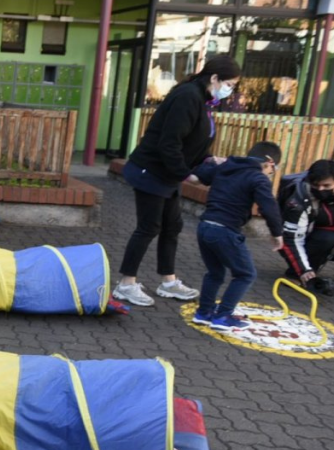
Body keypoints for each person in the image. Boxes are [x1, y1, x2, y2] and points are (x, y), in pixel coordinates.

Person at [114, 55, 242, 306]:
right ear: (215, 78)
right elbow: (169, 142)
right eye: (231, 84)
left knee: (172, 227)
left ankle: (168, 282)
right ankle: (125, 284)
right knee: (149, 227)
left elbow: (191, 139)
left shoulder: (202, 99)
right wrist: (186, 173)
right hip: (151, 171)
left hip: (166, 174)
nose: (231, 90)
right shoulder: (188, 97)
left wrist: (208, 159)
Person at [190, 142, 284, 330]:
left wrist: (212, 164)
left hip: (205, 226)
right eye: (272, 170)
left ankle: (204, 312)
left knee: (215, 273)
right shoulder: (258, 178)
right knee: (245, 274)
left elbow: (194, 178)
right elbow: (269, 206)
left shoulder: (225, 166)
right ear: (270, 162)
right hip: (225, 230)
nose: (270, 174)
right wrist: (277, 233)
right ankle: (223, 316)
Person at [279, 159, 334, 295]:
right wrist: (303, 270)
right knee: (327, 238)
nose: (320, 189)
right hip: (306, 239)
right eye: (316, 185)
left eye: (326, 185)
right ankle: (295, 274)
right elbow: (290, 239)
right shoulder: (298, 201)